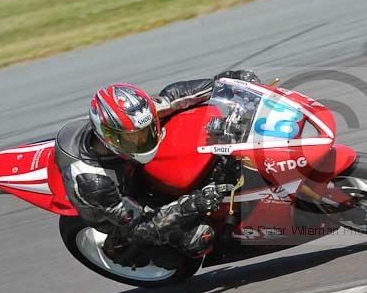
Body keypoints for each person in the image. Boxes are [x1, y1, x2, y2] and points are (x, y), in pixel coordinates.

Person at [54, 70, 260, 268]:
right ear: (108, 137)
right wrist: (191, 204)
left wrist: (228, 83)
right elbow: (140, 225)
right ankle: (136, 254)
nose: (145, 140)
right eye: (135, 138)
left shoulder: (133, 120)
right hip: (123, 213)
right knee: (197, 239)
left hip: (132, 172)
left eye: (147, 131)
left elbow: (175, 96)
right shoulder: (95, 183)